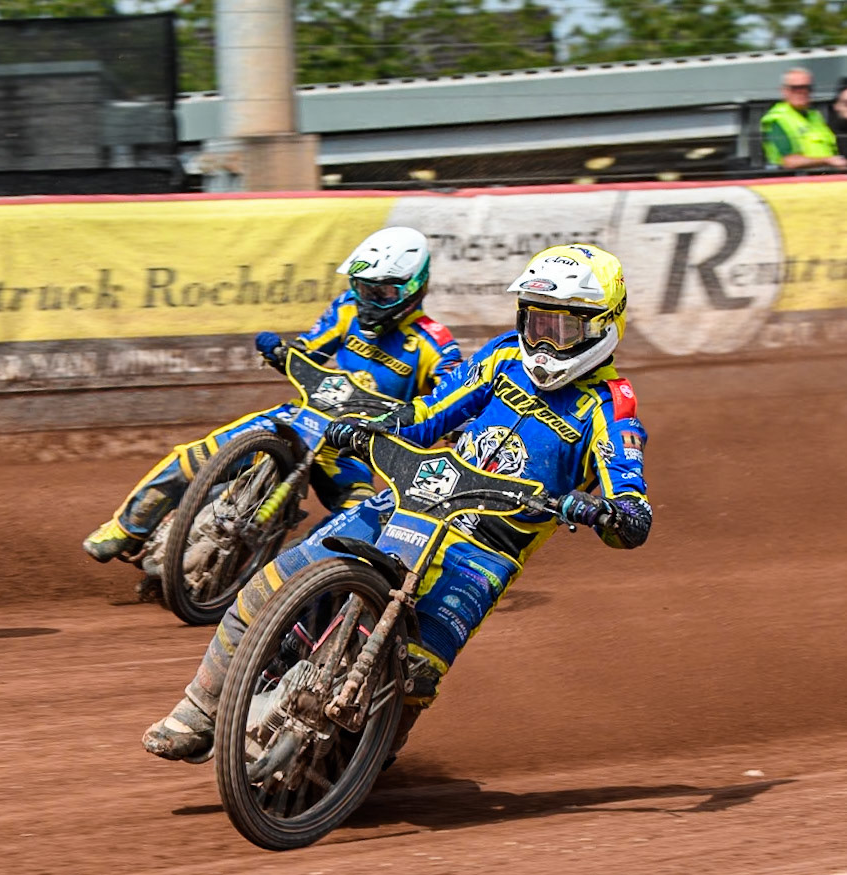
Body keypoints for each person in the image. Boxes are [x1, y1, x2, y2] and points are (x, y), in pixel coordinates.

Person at [142, 244, 651, 762]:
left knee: (418, 671)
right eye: (538, 323)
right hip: (417, 494)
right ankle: (198, 710)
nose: (546, 340)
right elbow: (429, 413)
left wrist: (618, 514)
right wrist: (368, 427)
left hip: (484, 549)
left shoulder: (611, 407)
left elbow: (627, 497)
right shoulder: (502, 356)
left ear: (603, 325)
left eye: (564, 328)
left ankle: (362, 765)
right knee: (269, 584)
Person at [82, 226, 461, 564]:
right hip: (303, 418)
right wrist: (281, 351)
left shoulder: (435, 344)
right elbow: (310, 349)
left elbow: (450, 402)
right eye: (362, 288)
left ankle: (282, 571)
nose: (368, 300)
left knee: (363, 519)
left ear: (413, 287)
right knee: (196, 456)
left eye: (381, 292)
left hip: (355, 450)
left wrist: (457, 428)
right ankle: (125, 529)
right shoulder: (346, 310)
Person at [760, 67, 847, 171]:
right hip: (796, 181)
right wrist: (827, 161)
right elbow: (789, 161)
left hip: (826, 178)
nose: (802, 92)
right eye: (795, 88)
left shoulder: (814, 116)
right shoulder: (777, 119)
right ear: (784, 91)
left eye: (807, 88)